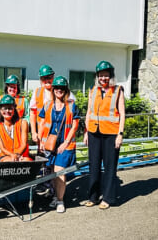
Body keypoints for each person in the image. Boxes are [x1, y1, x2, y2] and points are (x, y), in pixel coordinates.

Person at [83, 61, 125, 210]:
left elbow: (122, 114)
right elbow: (89, 112)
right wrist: (86, 132)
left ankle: (108, 198)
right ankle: (93, 197)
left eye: (106, 76)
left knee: (109, 167)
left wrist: (120, 134)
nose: (103, 79)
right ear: (97, 77)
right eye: (101, 76)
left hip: (111, 134)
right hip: (94, 133)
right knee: (93, 166)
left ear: (111, 76)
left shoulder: (118, 90)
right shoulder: (93, 90)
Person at [38, 76, 79, 213]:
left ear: (65, 90)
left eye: (62, 88)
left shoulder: (71, 105)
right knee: (52, 172)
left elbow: (74, 126)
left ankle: (61, 201)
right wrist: (42, 140)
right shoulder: (48, 105)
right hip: (51, 144)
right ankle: (56, 196)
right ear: (53, 89)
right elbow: (43, 123)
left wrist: (66, 143)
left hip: (65, 144)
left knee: (59, 170)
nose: (59, 90)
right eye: (57, 88)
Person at [0, 95, 32, 162]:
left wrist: (16, 155)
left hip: (21, 155)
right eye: (4, 108)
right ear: (0, 109)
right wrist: (12, 155)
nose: (7, 111)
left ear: (14, 109)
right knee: (9, 161)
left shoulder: (23, 123)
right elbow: (2, 148)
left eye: (10, 108)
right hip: (5, 156)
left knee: (27, 161)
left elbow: (24, 144)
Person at [29, 65, 55, 147]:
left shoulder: (59, 91)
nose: (47, 80)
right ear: (40, 80)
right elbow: (32, 114)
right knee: (42, 154)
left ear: (53, 77)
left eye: (49, 77)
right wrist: (33, 132)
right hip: (42, 132)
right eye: (44, 78)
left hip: (56, 131)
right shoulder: (37, 92)